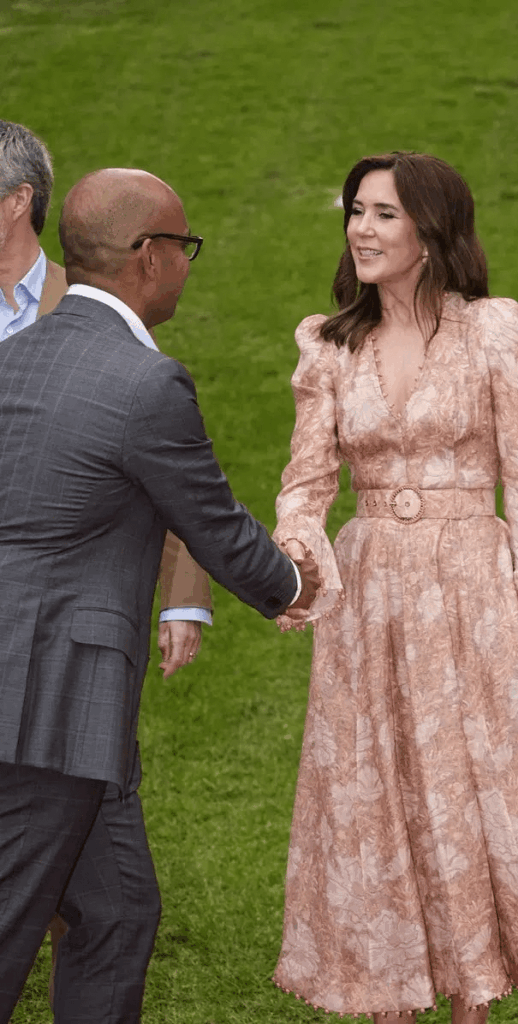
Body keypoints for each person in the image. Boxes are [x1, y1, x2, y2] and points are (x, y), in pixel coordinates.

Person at [271, 151, 518, 1024]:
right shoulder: (328, 341)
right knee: (376, 789)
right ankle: (388, 994)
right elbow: (306, 484)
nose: (361, 228)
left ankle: (472, 998)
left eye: (384, 213)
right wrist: (299, 551)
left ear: (430, 229)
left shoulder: (493, 328)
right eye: (355, 211)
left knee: (471, 787)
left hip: (469, 585)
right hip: (372, 592)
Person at [0, 166, 320, 1024]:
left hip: (59, 712)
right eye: (184, 246)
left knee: (116, 912)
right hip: (45, 714)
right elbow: (211, 520)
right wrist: (296, 582)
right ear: (147, 257)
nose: (187, 263)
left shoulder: (15, 356)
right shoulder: (145, 385)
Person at [0, 119, 214, 1005]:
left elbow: (161, 465)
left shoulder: (81, 306)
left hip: (60, 677)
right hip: (34, 681)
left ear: (17, 203)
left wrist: (185, 598)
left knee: (115, 908)